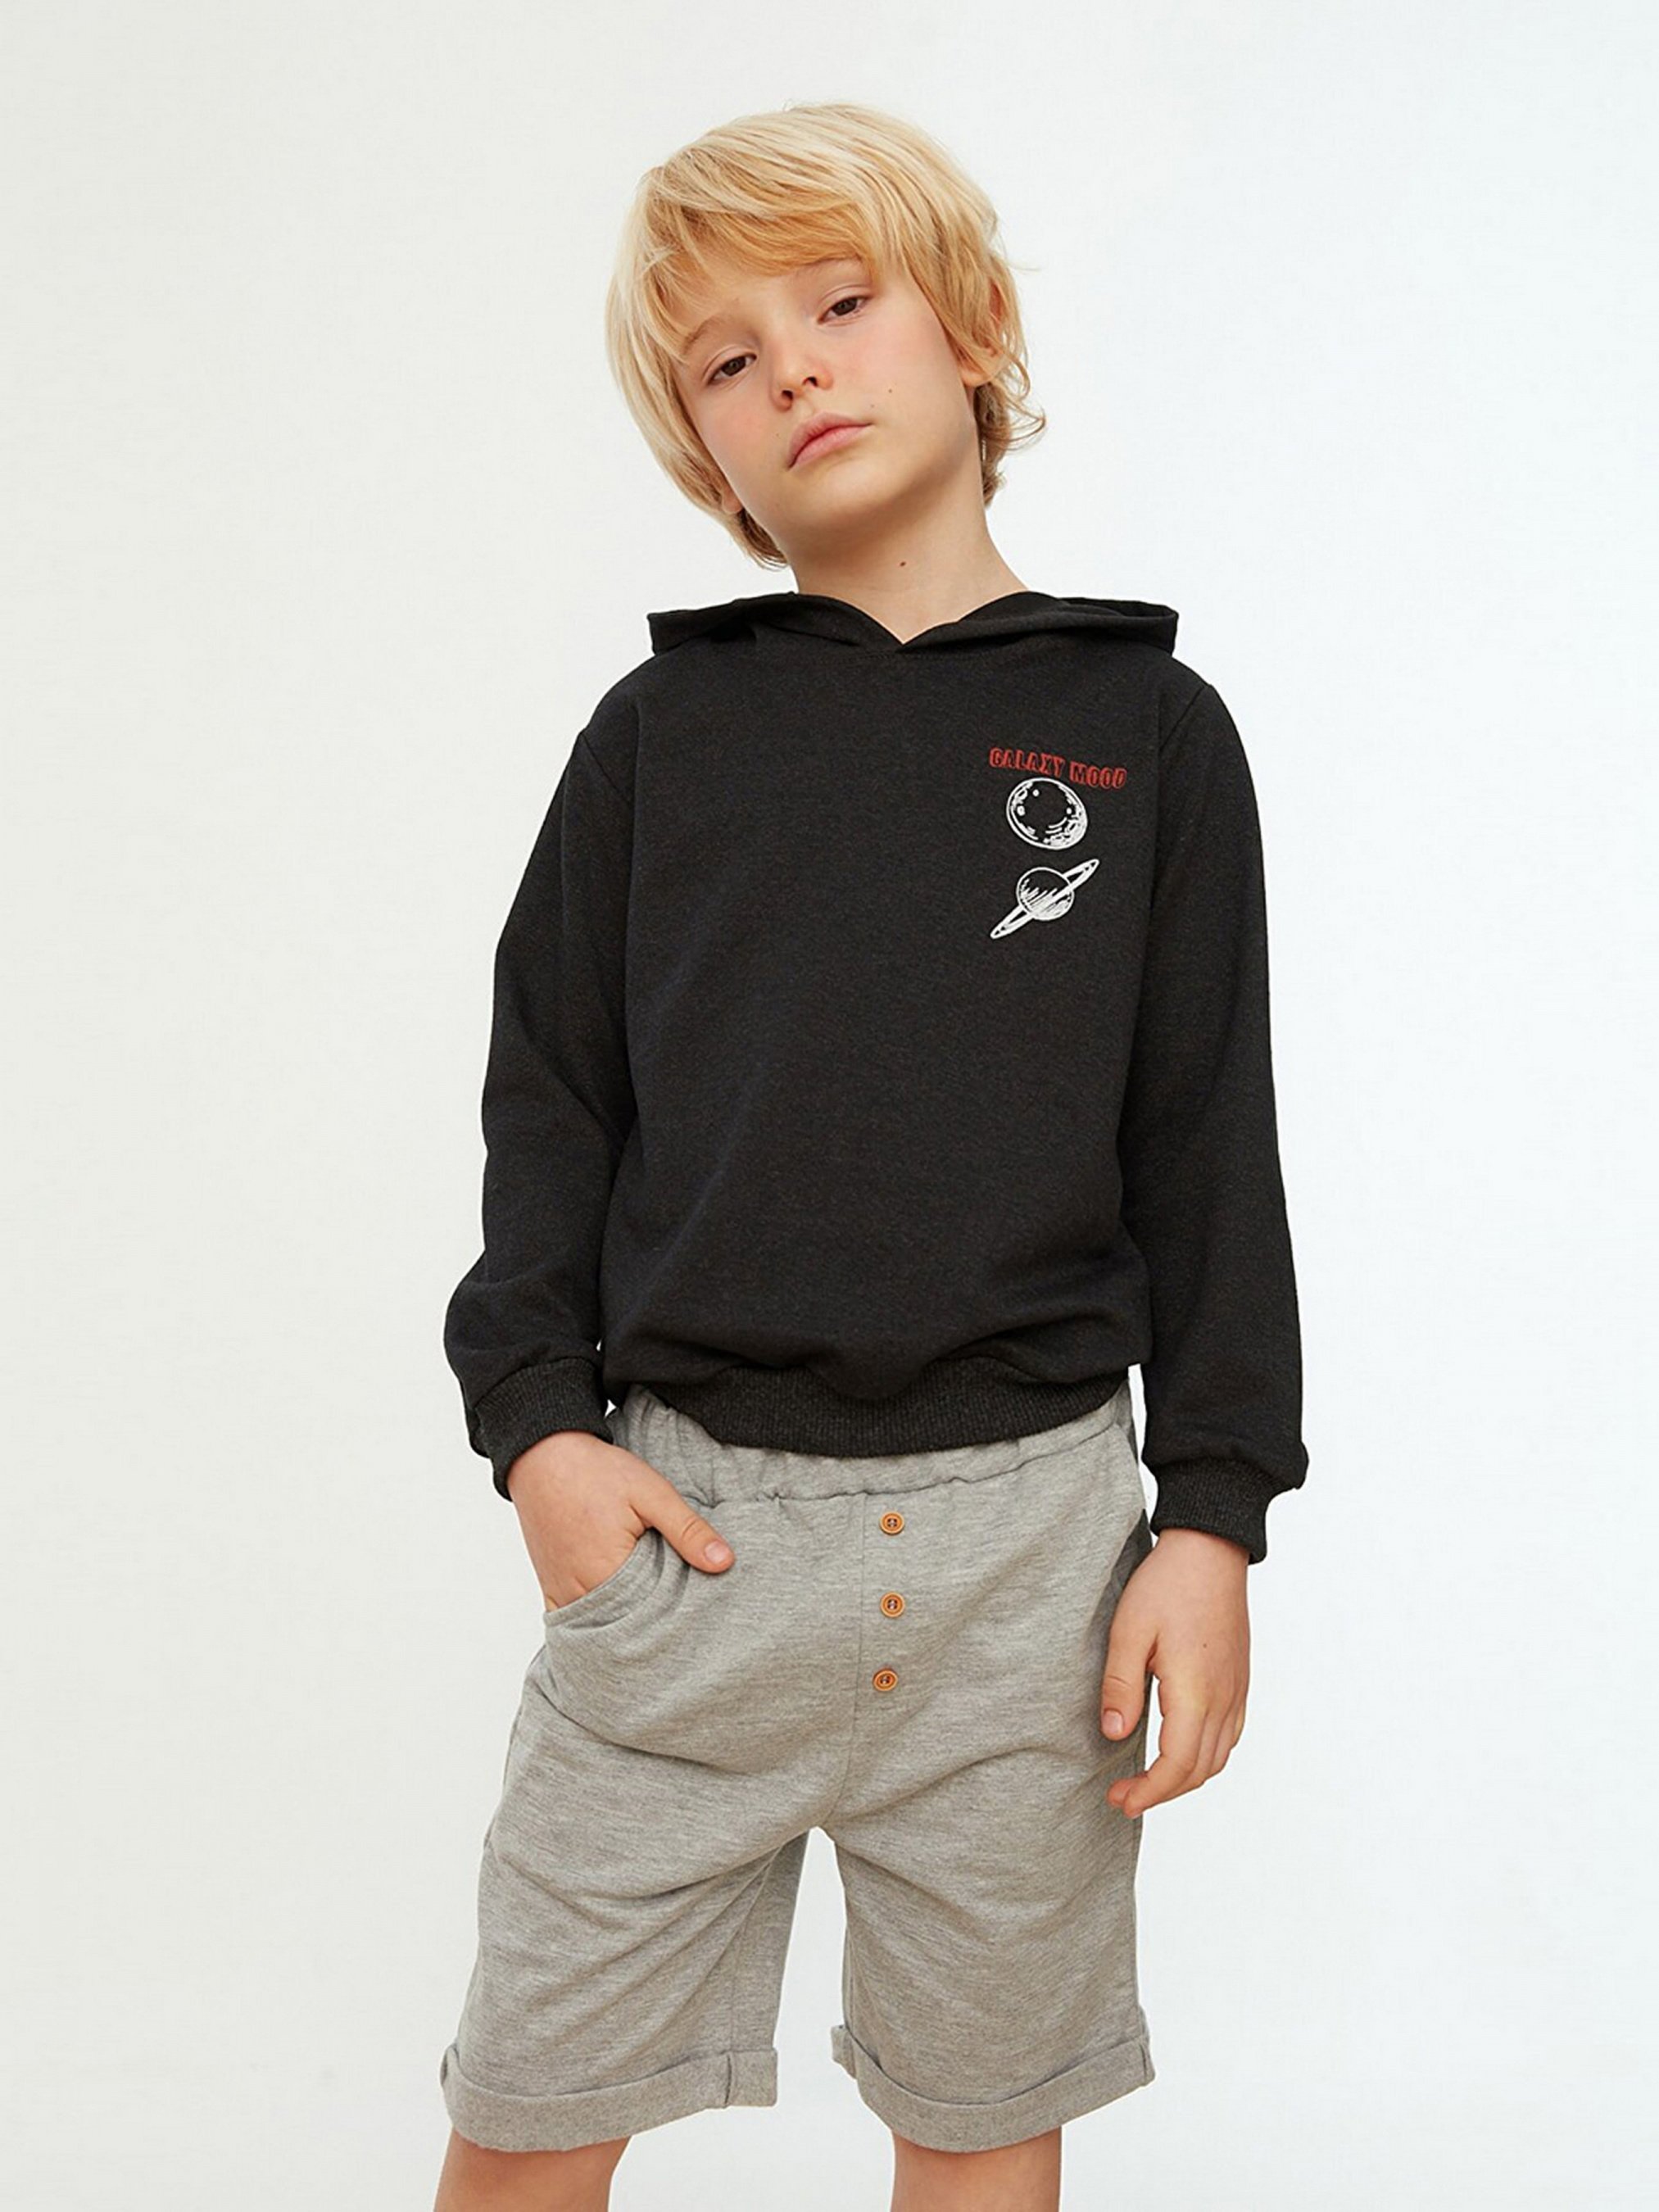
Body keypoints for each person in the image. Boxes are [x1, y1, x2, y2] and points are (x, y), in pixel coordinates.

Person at [432, 99, 1308, 2212]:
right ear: (705, 455)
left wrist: (1213, 1518)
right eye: (728, 360)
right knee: (530, 2115)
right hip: (691, 1549)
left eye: (841, 304)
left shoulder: (1147, 732)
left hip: (1035, 1570)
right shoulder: (662, 738)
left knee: (985, 2129)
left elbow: (1209, 1144)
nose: (796, 371)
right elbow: (551, 1098)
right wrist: (539, 1433)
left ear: (975, 328)